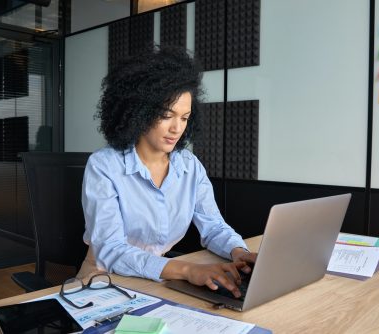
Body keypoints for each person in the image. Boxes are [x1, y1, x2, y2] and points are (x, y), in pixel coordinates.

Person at [78, 46, 256, 298]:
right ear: (138, 111)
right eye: (166, 115)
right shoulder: (104, 166)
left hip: (160, 276)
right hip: (103, 276)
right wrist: (186, 270)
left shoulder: (189, 166)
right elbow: (112, 249)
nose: (176, 128)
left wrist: (239, 252)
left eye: (184, 118)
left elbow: (213, 226)